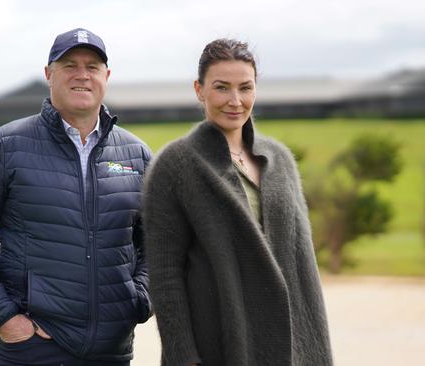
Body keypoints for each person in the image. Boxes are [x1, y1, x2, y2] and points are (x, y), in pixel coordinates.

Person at [0, 28, 153, 366]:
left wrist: (139, 299)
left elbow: (159, 241)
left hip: (112, 350)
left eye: (93, 66)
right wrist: (5, 319)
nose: (82, 74)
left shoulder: (136, 154)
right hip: (32, 348)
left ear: (106, 76)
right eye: (69, 64)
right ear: (48, 74)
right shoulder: (6, 146)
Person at [142, 39, 333, 366]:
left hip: (291, 345)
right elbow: (165, 274)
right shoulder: (175, 165)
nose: (235, 101)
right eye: (221, 87)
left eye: (245, 88)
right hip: (220, 341)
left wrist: (315, 348)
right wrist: (182, 354)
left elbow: (303, 265)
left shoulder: (280, 159)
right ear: (199, 90)